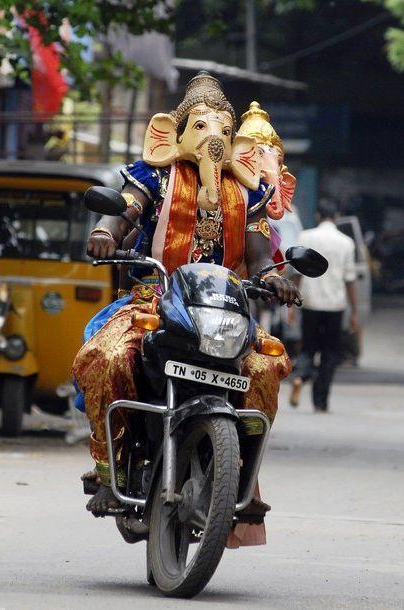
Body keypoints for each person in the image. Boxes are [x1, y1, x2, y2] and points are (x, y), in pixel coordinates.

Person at [72, 73, 301, 528]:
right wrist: (104, 231)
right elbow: (125, 210)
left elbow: (258, 257)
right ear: (173, 136)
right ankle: (107, 468)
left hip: (221, 308)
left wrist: (278, 277)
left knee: (267, 367)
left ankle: (241, 476)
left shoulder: (248, 191)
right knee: (106, 357)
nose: (212, 138)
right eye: (201, 126)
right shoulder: (155, 175)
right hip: (153, 299)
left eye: (221, 129)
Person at [289, 198, 359, 412]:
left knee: (308, 347)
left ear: (318, 215)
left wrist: (291, 305)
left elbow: (297, 275)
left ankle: (301, 375)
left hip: (310, 303)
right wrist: (354, 311)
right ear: (336, 217)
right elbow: (350, 280)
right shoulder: (346, 242)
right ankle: (320, 403)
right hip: (334, 306)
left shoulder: (306, 237)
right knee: (329, 353)